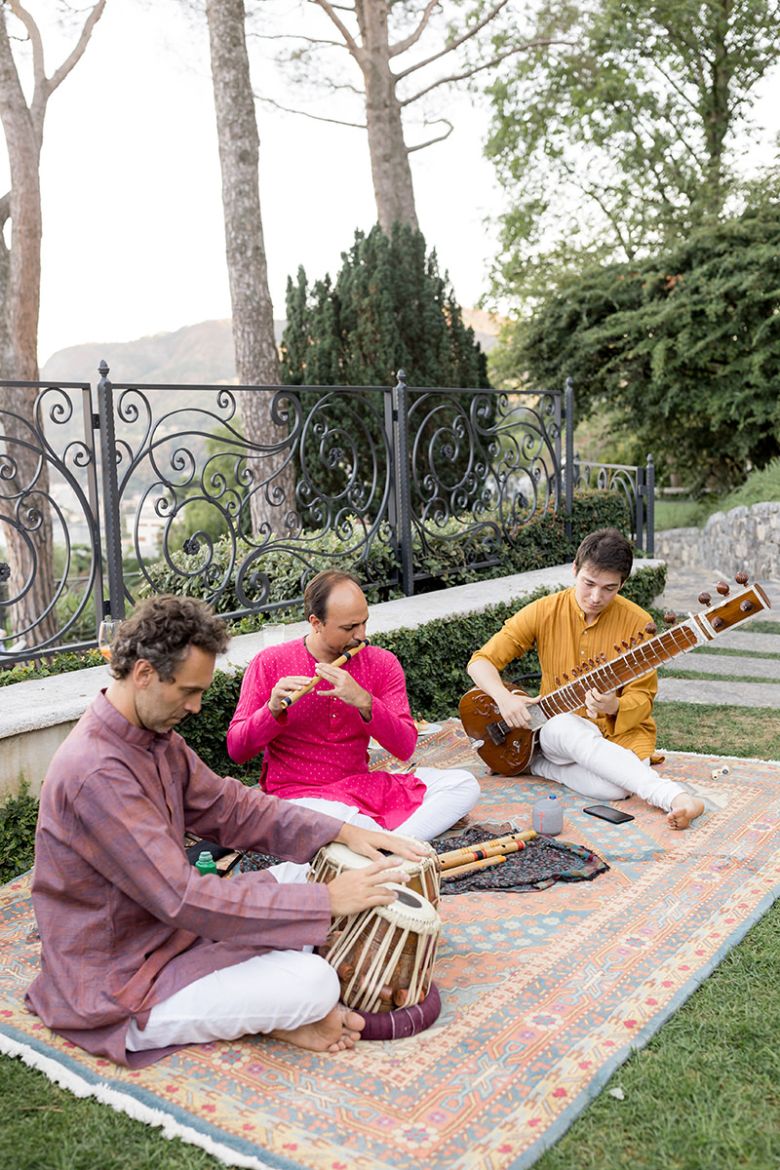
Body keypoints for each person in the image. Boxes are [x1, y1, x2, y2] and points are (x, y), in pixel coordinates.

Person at [26, 595, 431, 1069]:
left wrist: (341, 831)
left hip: (174, 935)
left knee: (309, 878)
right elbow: (182, 897)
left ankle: (274, 1009)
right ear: (143, 674)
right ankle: (274, 1013)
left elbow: (232, 808)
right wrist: (328, 902)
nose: (197, 707)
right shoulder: (96, 773)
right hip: (120, 976)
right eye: (188, 691)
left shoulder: (157, 741)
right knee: (313, 981)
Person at [467, 528, 704, 830]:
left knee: (614, 789)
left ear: (622, 584)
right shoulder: (545, 610)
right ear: (574, 570)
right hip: (557, 730)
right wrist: (503, 697)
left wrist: (614, 705)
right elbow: (480, 662)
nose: (595, 597)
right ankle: (675, 797)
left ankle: (533, 764)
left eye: (609, 588)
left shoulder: (638, 624)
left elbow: (642, 700)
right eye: (588, 583)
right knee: (566, 727)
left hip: (618, 735)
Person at [227, 570, 479, 852]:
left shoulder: (382, 664)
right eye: (349, 628)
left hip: (361, 787)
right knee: (341, 822)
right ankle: (387, 844)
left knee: (464, 785)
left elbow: (405, 747)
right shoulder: (269, 663)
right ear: (316, 623)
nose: (361, 635)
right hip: (299, 797)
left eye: (364, 623)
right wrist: (271, 710)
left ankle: (388, 847)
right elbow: (237, 750)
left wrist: (365, 702)